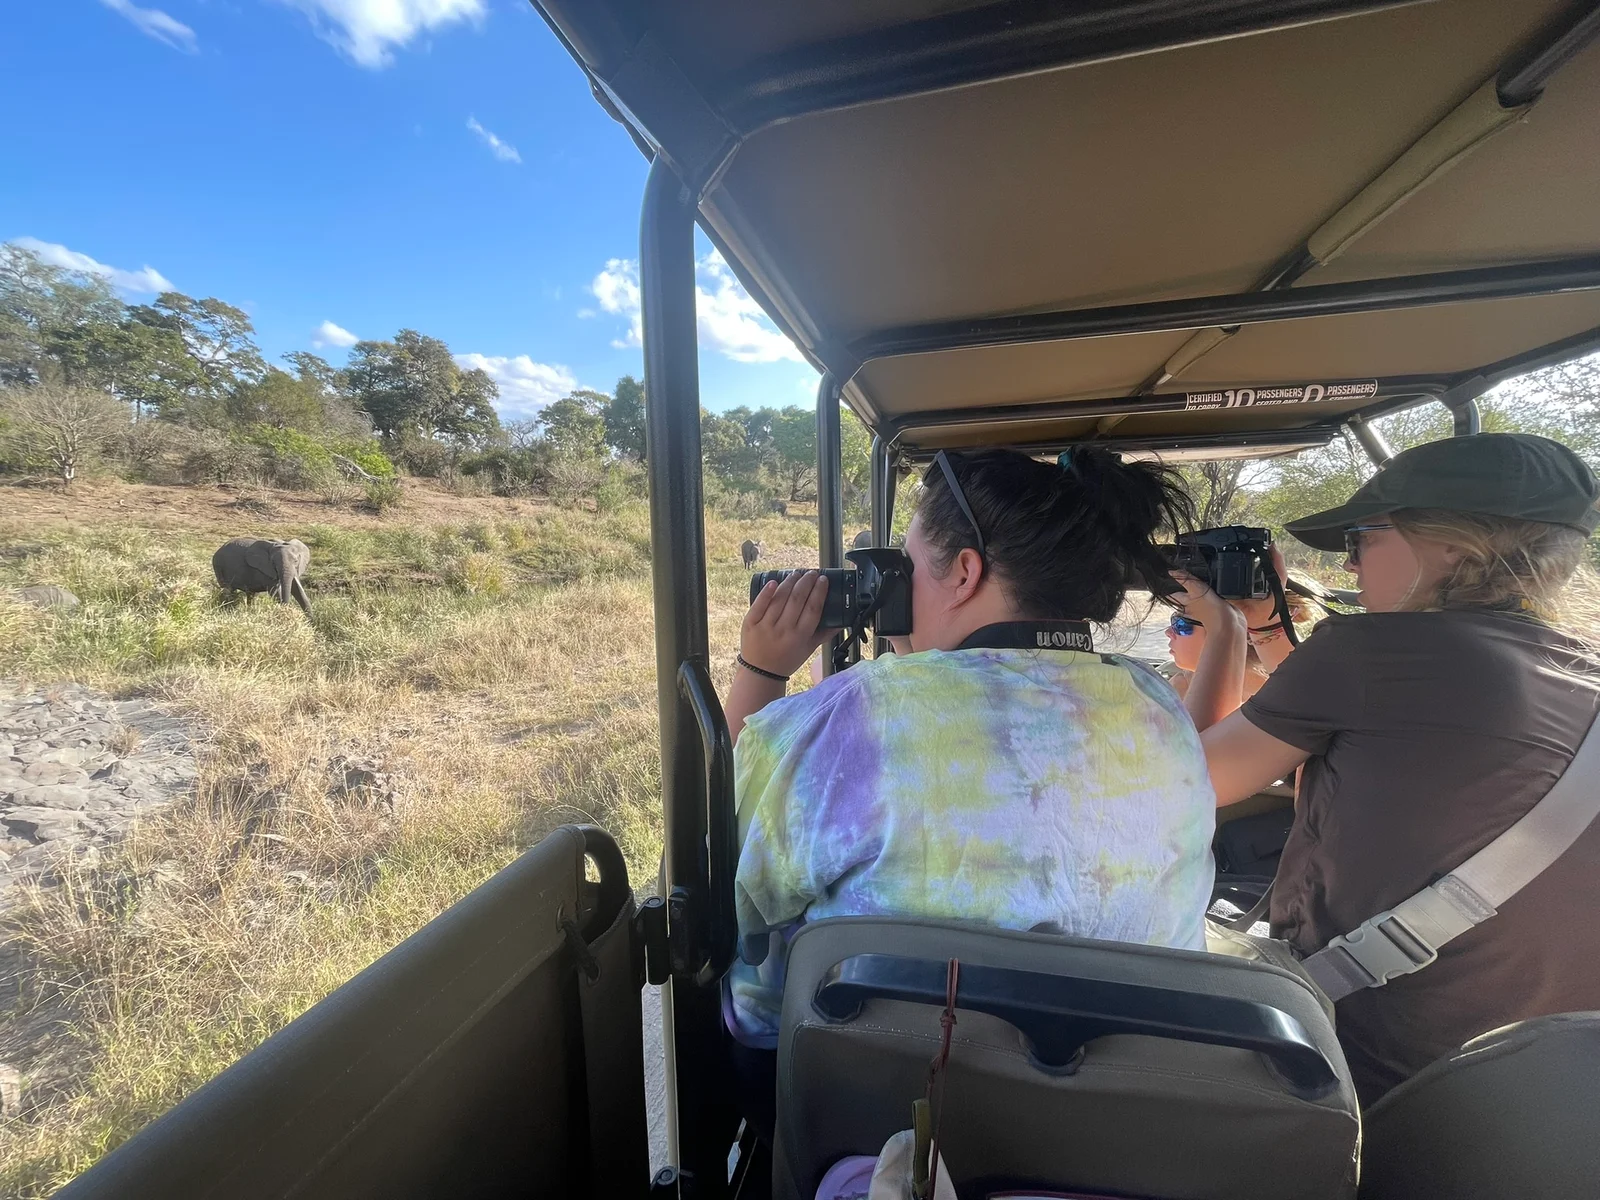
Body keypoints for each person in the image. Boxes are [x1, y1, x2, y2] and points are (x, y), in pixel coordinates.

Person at [719, 446, 1217, 1133]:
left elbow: (725, 868)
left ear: (963, 571)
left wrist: (760, 671)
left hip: (892, 1114)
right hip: (1125, 1115)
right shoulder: (1159, 707)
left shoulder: (859, 713)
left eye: (907, 567)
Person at [1181, 432, 1600, 1105]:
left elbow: (1188, 784)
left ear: (1452, 546)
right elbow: (1361, 714)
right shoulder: (1579, 669)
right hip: (1548, 1075)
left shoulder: (1367, 651)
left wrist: (1225, 633)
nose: (1349, 562)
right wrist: (1266, 631)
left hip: (1369, 1065)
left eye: (1362, 538)